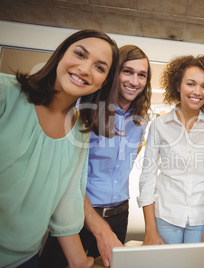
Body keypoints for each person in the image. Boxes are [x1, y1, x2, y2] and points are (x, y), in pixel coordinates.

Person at [0, 29, 119, 268]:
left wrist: (78, 260)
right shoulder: (6, 92)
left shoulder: (80, 129)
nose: (85, 69)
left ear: (103, 83)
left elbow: (66, 196)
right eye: (79, 54)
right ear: (60, 54)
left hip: (25, 258)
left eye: (99, 67)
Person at [38, 45, 152, 267]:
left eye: (142, 75)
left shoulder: (141, 119)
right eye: (127, 71)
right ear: (113, 73)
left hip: (119, 215)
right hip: (78, 212)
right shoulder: (84, 109)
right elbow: (66, 174)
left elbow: (131, 157)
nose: (134, 81)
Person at [137, 55, 204, 245]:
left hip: (202, 219)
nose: (198, 91)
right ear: (178, 85)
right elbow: (148, 176)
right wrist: (150, 229)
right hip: (166, 216)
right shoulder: (160, 125)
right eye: (191, 84)